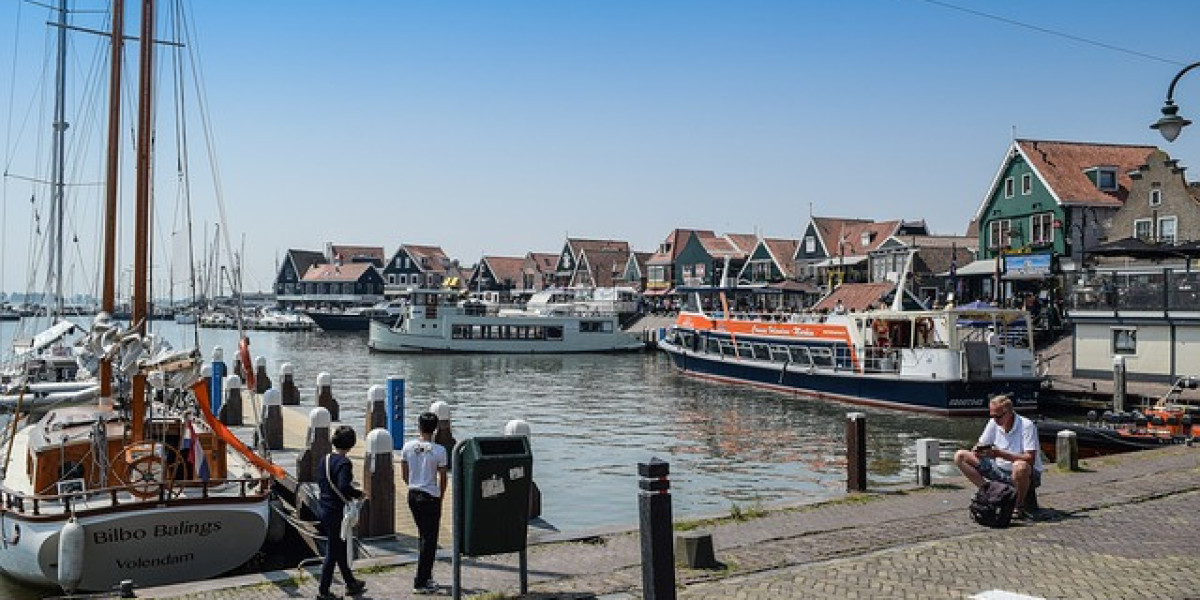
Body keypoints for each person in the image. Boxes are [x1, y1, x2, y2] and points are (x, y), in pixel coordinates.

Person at [954, 395, 1043, 518]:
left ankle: (1018, 506)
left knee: (1020, 466)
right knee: (960, 456)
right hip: (998, 467)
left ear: (1009, 413)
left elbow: (1030, 458)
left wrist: (1000, 454)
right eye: (992, 416)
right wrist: (978, 450)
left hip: (1023, 472)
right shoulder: (993, 423)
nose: (995, 419)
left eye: (998, 416)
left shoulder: (1026, 426)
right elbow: (982, 443)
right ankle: (988, 492)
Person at [401, 412, 449, 595]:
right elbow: (442, 477)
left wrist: (413, 483)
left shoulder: (408, 446)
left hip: (413, 494)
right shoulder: (439, 450)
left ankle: (426, 576)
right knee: (429, 540)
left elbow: (404, 474)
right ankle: (421, 581)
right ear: (435, 428)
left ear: (419, 426)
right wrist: (441, 496)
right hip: (430, 496)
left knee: (423, 536)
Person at [317, 425, 367, 600]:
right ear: (351, 444)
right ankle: (323, 591)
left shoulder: (325, 459)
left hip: (324, 507)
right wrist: (359, 494)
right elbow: (344, 486)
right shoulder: (344, 463)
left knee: (338, 548)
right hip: (337, 511)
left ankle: (351, 582)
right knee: (333, 551)